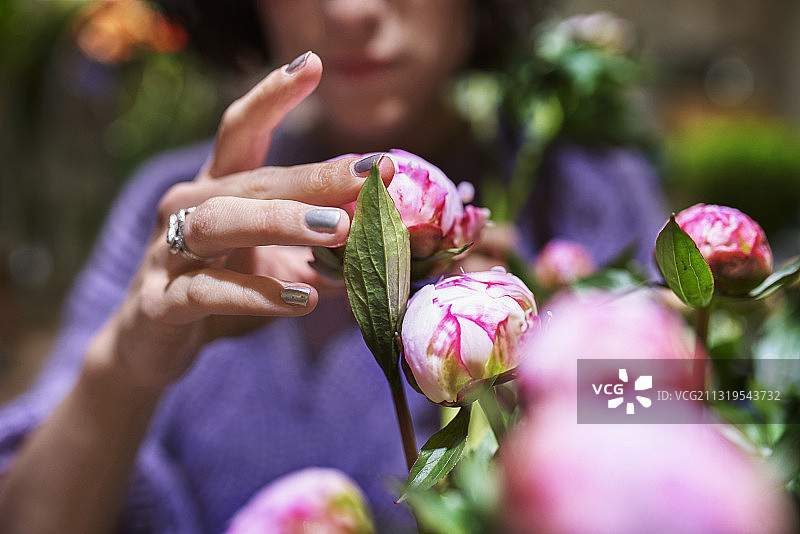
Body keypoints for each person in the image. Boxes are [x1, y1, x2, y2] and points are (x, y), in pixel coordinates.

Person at [0, 1, 667, 533]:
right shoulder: (175, 208)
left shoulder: (584, 198)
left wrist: (552, 367)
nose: (350, 11)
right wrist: (128, 362)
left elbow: (736, 428)